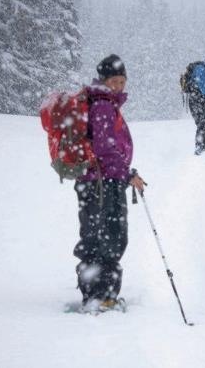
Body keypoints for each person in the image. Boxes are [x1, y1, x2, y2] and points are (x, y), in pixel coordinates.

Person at [73, 54, 144, 313]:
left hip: (97, 182)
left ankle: (95, 294)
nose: (119, 85)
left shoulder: (102, 102)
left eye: (122, 80)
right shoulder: (102, 105)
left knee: (96, 238)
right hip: (103, 184)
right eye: (114, 80)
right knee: (110, 239)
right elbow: (105, 149)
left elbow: (107, 149)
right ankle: (101, 297)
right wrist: (125, 175)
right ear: (104, 80)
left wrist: (124, 171)